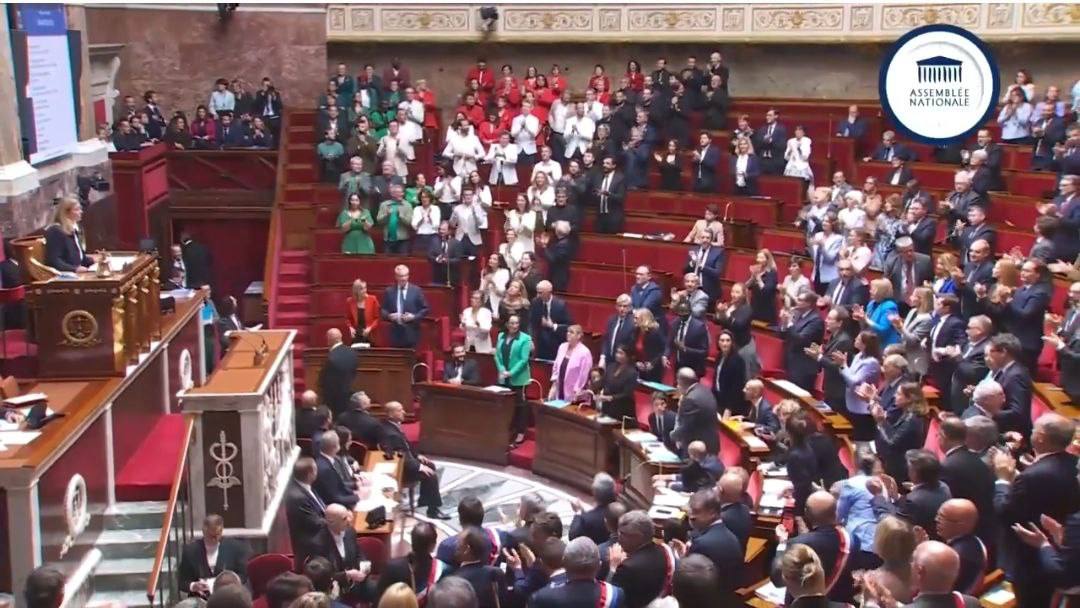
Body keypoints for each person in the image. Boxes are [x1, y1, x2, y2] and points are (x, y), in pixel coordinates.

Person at [992, 413, 1079, 608]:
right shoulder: (1072, 465)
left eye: (1034, 430)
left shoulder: (1033, 476)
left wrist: (1003, 479)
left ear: (1040, 436)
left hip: (1029, 560)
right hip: (1060, 552)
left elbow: (1005, 512)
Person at [771, 491, 860, 604]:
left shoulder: (797, 544)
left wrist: (782, 544)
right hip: (838, 602)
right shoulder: (852, 539)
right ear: (835, 512)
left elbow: (777, 579)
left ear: (806, 514)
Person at [670, 488, 742, 604]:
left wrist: (681, 558)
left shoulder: (702, 544)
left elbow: (691, 575)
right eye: (691, 510)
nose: (692, 517)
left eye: (697, 511)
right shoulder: (729, 535)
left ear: (712, 512)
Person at [379, 401, 448, 519]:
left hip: (406, 462)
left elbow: (406, 445)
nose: (404, 412)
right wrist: (419, 466)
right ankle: (433, 510)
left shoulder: (392, 425)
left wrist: (417, 456)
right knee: (431, 475)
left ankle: (425, 500)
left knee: (430, 465)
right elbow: (401, 456)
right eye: (400, 410)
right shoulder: (390, 433)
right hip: (401, 469)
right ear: (390, 414)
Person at [937, 416, 996, 547]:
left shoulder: (948, 466)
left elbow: (947, 502)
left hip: (964, 534)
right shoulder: (976, 459)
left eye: (938, 435)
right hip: (985, 530)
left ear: (943, 436)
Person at [301, 504, 374, 604]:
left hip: (356, 582)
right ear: (331, 522)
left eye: (348, 515)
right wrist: (346, 575)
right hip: (333, 589)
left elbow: (358, 553)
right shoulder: (317, 543)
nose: (349, 520)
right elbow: (322, 576)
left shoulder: (350, 532)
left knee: (378, 590)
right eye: (344, 518)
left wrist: (363, 566)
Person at [607, 511, 674, 608]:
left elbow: (611, 600)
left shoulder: (627, 567)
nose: (618, 538)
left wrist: (613, 568)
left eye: (622, 533)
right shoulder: (664, 550)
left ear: (638, 537)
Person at [868, 382, 928, 484]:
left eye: (899, 394)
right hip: (895, 461)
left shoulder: (912, 419)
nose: (895, 396)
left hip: (902, 469)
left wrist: (881, 422)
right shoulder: (906, 413)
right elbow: (893, 432)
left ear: (910, 399)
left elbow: (892, 441)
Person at [179, 515, 251, 597]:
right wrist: (193, 586)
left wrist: (231, 582)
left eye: (217, 535)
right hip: (200, 598)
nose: (214, 539)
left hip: (229, 596)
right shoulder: (190, 551)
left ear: (221, 530)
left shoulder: (235, 548)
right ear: (203, 531)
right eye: (211, 536)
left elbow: (243, 575)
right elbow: (182, 582)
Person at [833, 330, 882, 444]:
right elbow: (850, 374)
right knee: (852, 440)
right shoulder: (859, 356)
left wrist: (843, 366)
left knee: (861, 442)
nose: (855, 339)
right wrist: (844, 367)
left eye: (858, 339)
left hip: (863, 409)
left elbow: (853, 382)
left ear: (865, 344)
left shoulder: (872, 363)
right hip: (851, 404)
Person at [377, 522, 445, 603]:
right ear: (433, 546)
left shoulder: (391, 567)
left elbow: (380, 599)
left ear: (412, 542)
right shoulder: (443, 569)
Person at [494, 315, 533, 446]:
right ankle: (507, 430)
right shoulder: (501, 336)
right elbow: (497, 355)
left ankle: (520, 432)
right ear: (507, 324)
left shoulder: (525, 339)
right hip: (503, 376)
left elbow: (523, 360)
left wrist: (510, 372)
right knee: (506, 405)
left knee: (519, 406)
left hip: (518, 378)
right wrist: (501, 369)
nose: (514, 326)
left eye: (516, 323)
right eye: (512, 323)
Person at [934, 499, 987, 595]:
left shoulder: (956, 557)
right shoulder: (975, 541)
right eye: (938, 515)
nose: (936, 520)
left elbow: (933, 589)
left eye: (942, 517)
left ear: (961, 525)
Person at [284, 458, 326, 570]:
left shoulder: (304, 486)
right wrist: (333, 520)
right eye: (316, 470)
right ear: (310, 474)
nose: (318, 472)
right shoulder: (298, 497)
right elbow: (315, 523)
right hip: (310, 545)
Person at [780, 291, 826, 391]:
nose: (796, 301)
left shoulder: (816, 321)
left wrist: (789, 324)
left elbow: (801, 340)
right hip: (792, 363)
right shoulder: (797, 315)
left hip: (804, 368)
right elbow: (785, 336)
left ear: (808, 303)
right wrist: (784, 324)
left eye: (800, 300)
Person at [445, 528, 503, 608]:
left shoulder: (454, 581)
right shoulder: (496, 572)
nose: (456, 545)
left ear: (467, 549)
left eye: (459, 542)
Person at [671, 368, 719, 455]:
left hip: (699, 449)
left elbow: (685, 427)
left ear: (680, 382)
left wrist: (672, 436)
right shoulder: (704, 390)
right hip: (709, 444)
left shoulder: (691, 399)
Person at [380, 265, 428, 349]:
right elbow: (383, 310)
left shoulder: (416, 290)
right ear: (396, 276)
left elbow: (425, 309)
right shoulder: (389, 291)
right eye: (401, 276)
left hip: (411, 333)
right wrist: (389, 316)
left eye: (405, 275)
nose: (403, 278)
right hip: (395, 333)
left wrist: (413, 317)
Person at [44, 197, 98, 272]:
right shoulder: (55, 231)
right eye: (77, 209)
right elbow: (54, 261)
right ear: (66, 212)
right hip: (64, 276)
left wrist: (95, 261)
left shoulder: (72, 229)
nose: (81, 212)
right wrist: (74, 269)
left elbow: (80, 258)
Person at [318, 329, 357, 417]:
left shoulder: (331, 358)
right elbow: (354, 372)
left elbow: (325, 381)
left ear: (329, 339)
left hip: (334, 400)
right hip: (349, 395)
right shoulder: (352, 353)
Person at [550, 324, 593, 402]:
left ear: (579, 336)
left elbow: (583, 375)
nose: (568, 334)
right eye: (568, 332)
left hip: (575, 394)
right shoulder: (562, 347)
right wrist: (554, 386)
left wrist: (577, 391)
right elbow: (556, 366)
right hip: (560, 388)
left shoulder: (585, 352)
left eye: (571, 332)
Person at [529, 281, 570, 361]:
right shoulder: (535, 302)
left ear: (549, 292)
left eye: (540, 293)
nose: (538, 295)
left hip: (556, 342)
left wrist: (552, 325)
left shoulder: (560, 305)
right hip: (539, 343)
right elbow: (531, 323)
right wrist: (530, 339)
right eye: (537, 292)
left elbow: (568, 326)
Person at [712, 330, 749, 417]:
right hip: (719, 399)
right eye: (722, 340)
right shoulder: (719, 356)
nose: (725, 343)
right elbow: (716, 378)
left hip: (732, 404)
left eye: (728, 340)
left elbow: (736, 388)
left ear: (732, 343)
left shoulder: (737, 361)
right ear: (718, 342)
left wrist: (729, 408)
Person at [668, 300, 710, 377]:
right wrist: (665, 356)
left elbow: (704, 352)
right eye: (680, 314)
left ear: (690, 312)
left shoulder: (699, 327)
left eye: (685, 315)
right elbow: (669, 343)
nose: (682, 317)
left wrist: (685, 349)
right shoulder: (675, 323)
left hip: (693, 367)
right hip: (678, 365)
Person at [377, 184, 414, 254]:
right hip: (388, 240)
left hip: (403, 240)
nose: (400, 194)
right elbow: (379, 222)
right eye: (397, 193)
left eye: (401, 192)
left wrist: (400, 216)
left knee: (403, 261)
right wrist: (387, 215)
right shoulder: (384, 205)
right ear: (392, 194)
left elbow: (410, 223)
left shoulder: (408, 205)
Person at [594, 156, 626, 234]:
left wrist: (608, 194)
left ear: (614, 166)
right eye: (604, 163)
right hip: (600, 216)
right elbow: (593, 192)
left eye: (607, 163)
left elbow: (621, 198)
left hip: (613, 217)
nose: (604, 165)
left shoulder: (620, 178)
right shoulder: (598, 176)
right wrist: (595, 194)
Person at [747, 248, 779, 325]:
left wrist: (758, 278)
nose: (758, 260)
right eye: (758, 257)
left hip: (766, 308)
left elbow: (766, 291)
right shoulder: (757, 270)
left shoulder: (772, 273)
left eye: (761, 258)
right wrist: (752, 277)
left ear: (767, 259)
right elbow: (747, 286)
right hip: (755, 305)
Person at [428, 222, 464, 286]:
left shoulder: (456, 243)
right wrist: (436, 259)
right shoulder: (434, 241)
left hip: (451, 276)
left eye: (443, 229)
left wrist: (447, 260)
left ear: (449, 230)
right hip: (437, 276)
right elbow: (429, 256)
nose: (441, 231)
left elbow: (458, 259)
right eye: (440, 229)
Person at [345, 279, 380, 346]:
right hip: (356, 335)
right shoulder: (350, 301)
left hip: (370, 334)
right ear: (356, 291)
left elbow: (377, 318)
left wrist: (370, 328)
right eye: (361, 289)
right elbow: (348, 318)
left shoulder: (373, 299)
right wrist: (350, 328)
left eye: (365, 288)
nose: (365, 290)